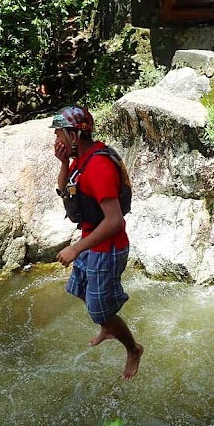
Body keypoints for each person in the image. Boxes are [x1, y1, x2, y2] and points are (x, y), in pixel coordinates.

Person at [52, 105, 143, 380]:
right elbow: (66, 192)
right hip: (92, 242)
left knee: (99, 308)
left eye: (59, 135)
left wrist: (76, 248)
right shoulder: (81, 159)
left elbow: (114, 221)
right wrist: (63, 163)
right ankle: (107, 325)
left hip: (107, 247)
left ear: (74, 136)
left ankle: (133, 348)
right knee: (79, 289)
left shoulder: (99, 167)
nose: (56, 141)